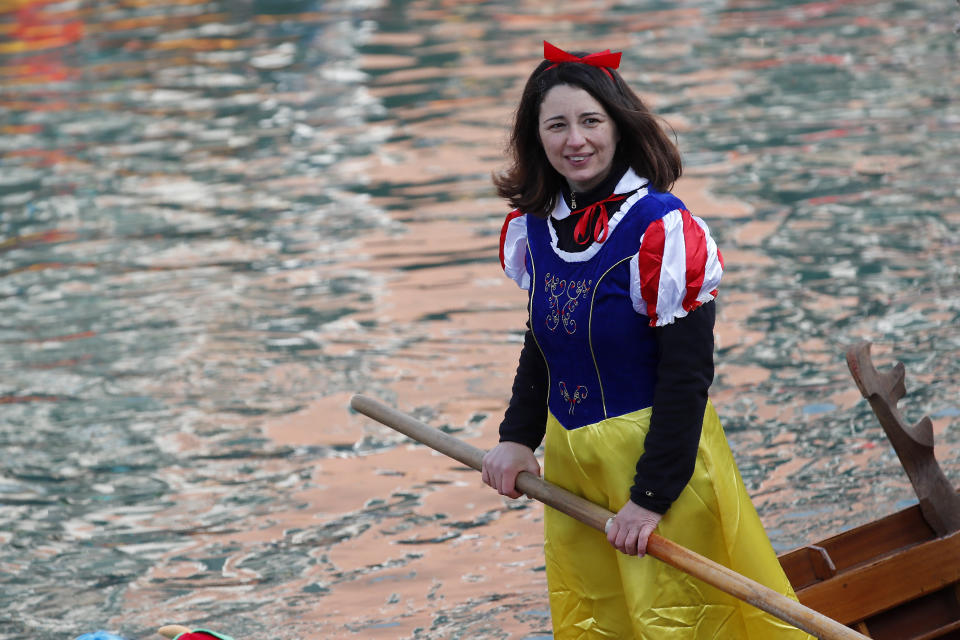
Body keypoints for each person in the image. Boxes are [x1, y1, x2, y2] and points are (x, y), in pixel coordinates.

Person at [481, 41, 812, 639]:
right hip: (573, 466)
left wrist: (651, 497)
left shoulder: (662, 229)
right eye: (556, 125)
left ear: (619, 126)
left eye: (590, 121)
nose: (575, 140)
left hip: (661, 469)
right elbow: (543, 344)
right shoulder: (537, 227)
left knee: (686, 624)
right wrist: (515, 438)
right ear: (537, 137)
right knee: (598, 618)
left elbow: (687, 378)